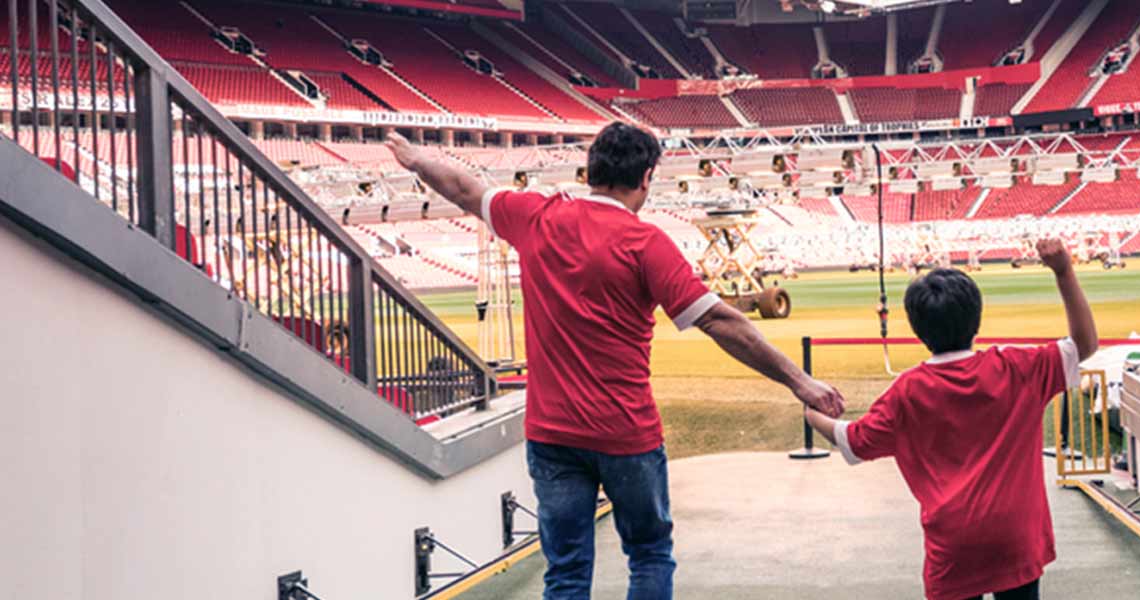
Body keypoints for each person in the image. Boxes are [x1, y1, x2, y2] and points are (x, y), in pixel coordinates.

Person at [387, 123, 845, 600]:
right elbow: (720, 322)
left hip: (552, 434)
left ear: (591, 171)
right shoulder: (645, 243)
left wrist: (417, 158)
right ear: (645, 178)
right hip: (625, 433)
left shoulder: (536, 216)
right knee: (648, 554)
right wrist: (799, 381)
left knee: (565, 572)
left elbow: (463, 188)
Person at [806, 238, 1098, 600]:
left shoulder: (906, 392)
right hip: (1017, 536)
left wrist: (811, 411)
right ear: (976, 318)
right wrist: (1064, 272)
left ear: (918, 329)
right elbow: (1084, 344)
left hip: (954, 546)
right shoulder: (1017, 368)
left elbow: (852, 441)